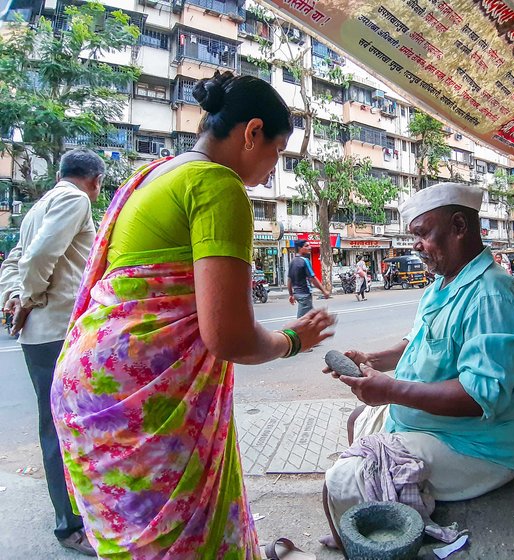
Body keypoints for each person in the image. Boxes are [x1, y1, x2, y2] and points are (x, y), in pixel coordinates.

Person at [49, 71, 335, 559]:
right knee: (180, 545)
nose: (273, 167)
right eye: (277, 151)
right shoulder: (216, 185)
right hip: (140, 402)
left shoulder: (154, 174)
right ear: (251, 133)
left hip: (88, 386)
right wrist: (293, 341)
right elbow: (228, 337)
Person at [322, 182, 514, 551]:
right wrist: (372, 361)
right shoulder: (444, 283)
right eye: (413, 236)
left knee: (341, 479)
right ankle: (371, 528)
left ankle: (367, 540)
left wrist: (389, 390)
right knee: (357, 419)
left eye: (423, 234)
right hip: (431, 427)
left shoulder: (491, 295)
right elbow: (417, 343)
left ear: (458, 226)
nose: (416, 245)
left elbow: (477, 397)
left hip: (475, 446)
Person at [0, 148, 106, 556]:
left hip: (41, 332)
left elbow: (15, 259)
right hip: (58, 328)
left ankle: (74, 512)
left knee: (58, 423)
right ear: (95, 180)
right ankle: (69, 524)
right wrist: (24, 299)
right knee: (64, 425)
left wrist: (15, 296)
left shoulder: (38, 207)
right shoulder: (76, 199)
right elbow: (40, 256)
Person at [288, 239, 329, 318]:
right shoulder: (305, 261)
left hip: (297, 294)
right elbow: (312, 278)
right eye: (306, 246)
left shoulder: (292, 261)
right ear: (300, 248)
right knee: (301, 322)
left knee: (312, 318)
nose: (309, 247)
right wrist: (324, 291)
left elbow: (289, 280)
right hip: (304, 295)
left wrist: (291, 295)